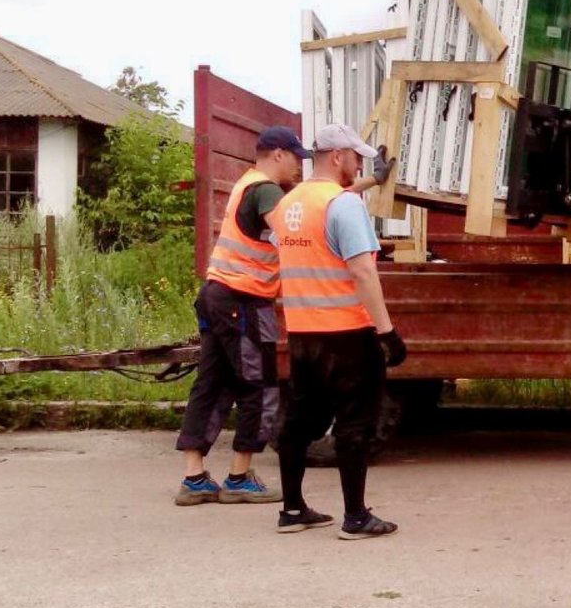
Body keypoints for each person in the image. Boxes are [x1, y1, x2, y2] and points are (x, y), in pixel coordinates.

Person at [270, 124, 408, 539]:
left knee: (298, 422)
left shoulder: (288, 204)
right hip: (347, 334)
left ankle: (292, 509)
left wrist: (370, 182)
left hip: (303, 334)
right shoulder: (344, 205)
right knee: (355, 424)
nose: (360, 163)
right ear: (337, 157)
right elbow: (363, 270)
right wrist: (386, 332)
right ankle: (356, 517)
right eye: (356, 157)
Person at [174, 126, 311, 506]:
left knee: (212, 383)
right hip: (244, 302)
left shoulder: (246, 184)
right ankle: (239, 476)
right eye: (297, 156)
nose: (300, 165)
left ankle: (195, 476)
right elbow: (292, 232)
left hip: (216, 295)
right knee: (260, 385)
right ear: (278, 154)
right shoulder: (266, 190)